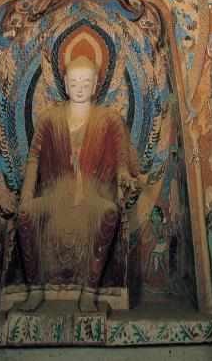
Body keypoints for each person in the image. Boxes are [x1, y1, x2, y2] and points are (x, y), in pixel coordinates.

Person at [16, 55, 140, 312]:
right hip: (56, 194)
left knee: (108, 212)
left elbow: (120, 159)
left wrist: (124, 177)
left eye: (85, 83)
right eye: (74, 83)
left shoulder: (109, 118)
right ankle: (36, 290)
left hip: (92, 195)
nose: (80, 88)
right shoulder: (49, 118)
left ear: (95, 84)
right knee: (26, 213)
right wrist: (27, 193)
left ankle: (89, 292)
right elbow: (33, 159)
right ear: (64, 83)